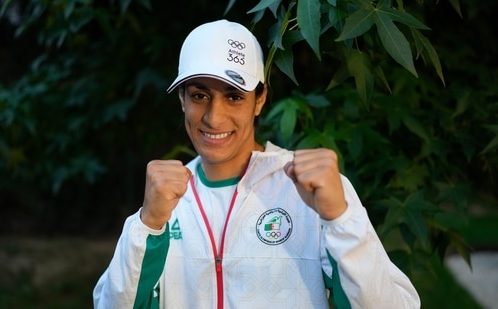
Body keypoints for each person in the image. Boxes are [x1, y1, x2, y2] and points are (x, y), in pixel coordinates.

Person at [93, 19, 421, 309]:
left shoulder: (311, 190)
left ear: (260, 99)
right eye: (199, 95)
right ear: (181, 99)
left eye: (234, 95)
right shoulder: (164, 198)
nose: (213, 116)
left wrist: (341, 218)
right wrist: (146, 224)